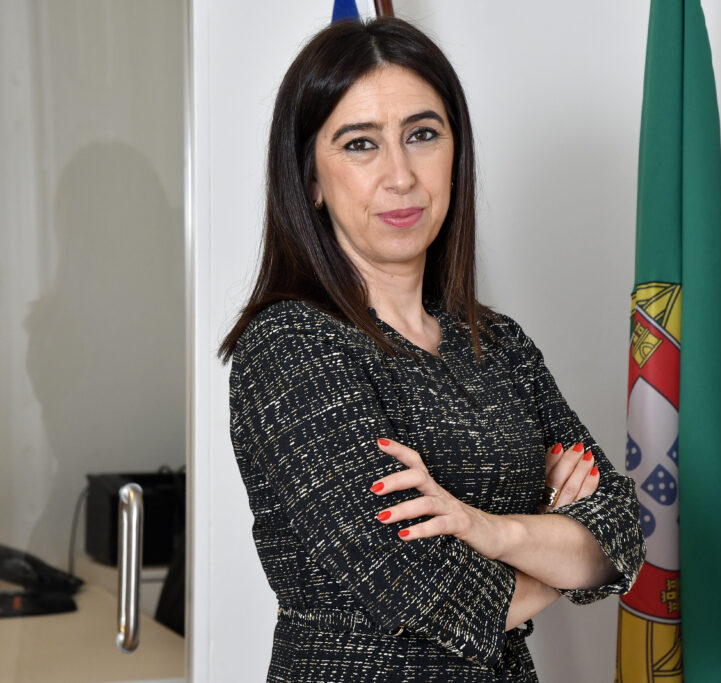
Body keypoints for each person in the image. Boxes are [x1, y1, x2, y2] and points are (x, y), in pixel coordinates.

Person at [220, 17, 645, 683]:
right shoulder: (290, 347)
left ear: (455, 155)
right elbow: (419, 588)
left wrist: (489, 529)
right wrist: (556, 547)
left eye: (422, 135)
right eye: (360, 144)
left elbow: (620, 529)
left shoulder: (498, 343)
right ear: (311, 182)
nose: (400, 176)